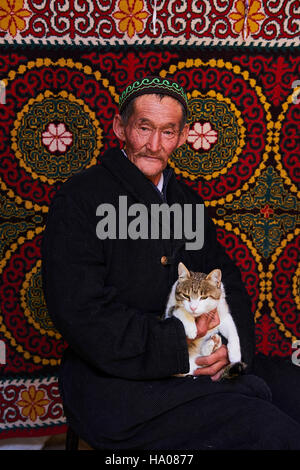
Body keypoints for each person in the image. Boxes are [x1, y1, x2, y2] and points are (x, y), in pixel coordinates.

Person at [42, 76, 300, 450]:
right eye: (144, 128)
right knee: (266, 430)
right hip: (118, 384)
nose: (154, 144)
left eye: (167, 132)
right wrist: (183, 343)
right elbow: (81, 313)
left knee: (293, 390)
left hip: (202, 358)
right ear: (120, 128)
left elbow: (227, 280)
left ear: (181, 138)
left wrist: (229, 343)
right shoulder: (79, 200)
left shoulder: (187, 203)